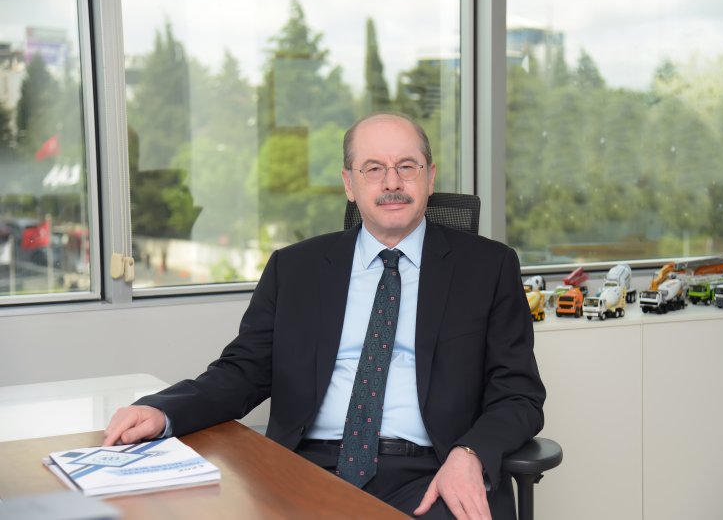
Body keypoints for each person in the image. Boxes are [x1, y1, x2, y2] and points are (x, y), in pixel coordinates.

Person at [104, 112, 545, 519]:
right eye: (373, 169)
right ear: (349, 184)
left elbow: (519, 395)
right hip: (305, 468)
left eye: (407, 167)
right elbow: (242, 372)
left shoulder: (487, 268)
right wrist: (164, 411)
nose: (392, 182)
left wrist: (470, 454)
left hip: (431, 472)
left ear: (430, 177)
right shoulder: (295, 268)